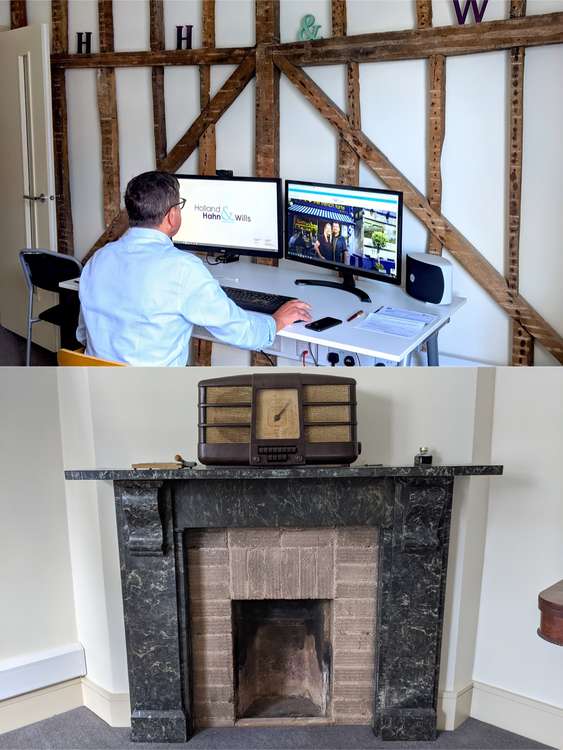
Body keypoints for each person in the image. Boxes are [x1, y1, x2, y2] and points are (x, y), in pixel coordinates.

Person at [77, 171, 312, 366]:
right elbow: (238, 329)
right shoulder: (182, 269)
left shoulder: (99, 259)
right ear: (172, 216)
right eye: (179, 206)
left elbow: (82, 333)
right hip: (155, 400)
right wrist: (276, 321)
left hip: (98, 393)